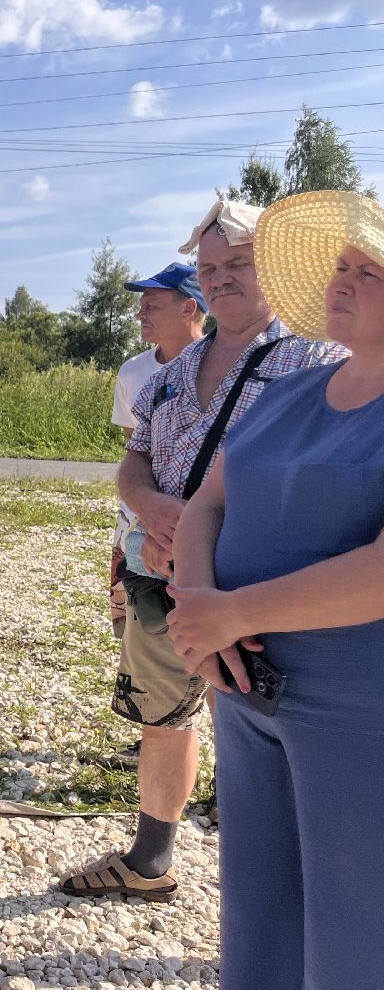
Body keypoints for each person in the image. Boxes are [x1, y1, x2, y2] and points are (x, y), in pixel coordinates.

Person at [58, 200, 344, 903]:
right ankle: (150, 860)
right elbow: (135, 461)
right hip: (161, 579)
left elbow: (326, 481)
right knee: (164, 718)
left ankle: (290, 886)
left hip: (254, 593)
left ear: (276, 266)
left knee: (260, 730)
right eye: (209, 267)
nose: (219, 278)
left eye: (237, 263)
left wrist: (204, 541)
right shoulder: (174, 370)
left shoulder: (318, 359)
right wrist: (153, 509)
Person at [166, 190, 382, 988]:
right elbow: (207, 504)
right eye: (340, 266)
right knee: (259, 918)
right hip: (247, 695)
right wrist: (199, 611)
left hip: (360, 711)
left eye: (368, 271)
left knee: (357, 927)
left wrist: (233, 614)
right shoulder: (290, 391)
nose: (343, 281)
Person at [108, 264, 209, 641]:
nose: (140, 314)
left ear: (189, 308)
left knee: (201, 636)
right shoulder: (132, 371)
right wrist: (148, 513)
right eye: (141, 306)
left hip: (202, 525)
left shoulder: (226, 367)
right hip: (136, 523)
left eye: (151, 305)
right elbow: (134, 448)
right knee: (142, 628)